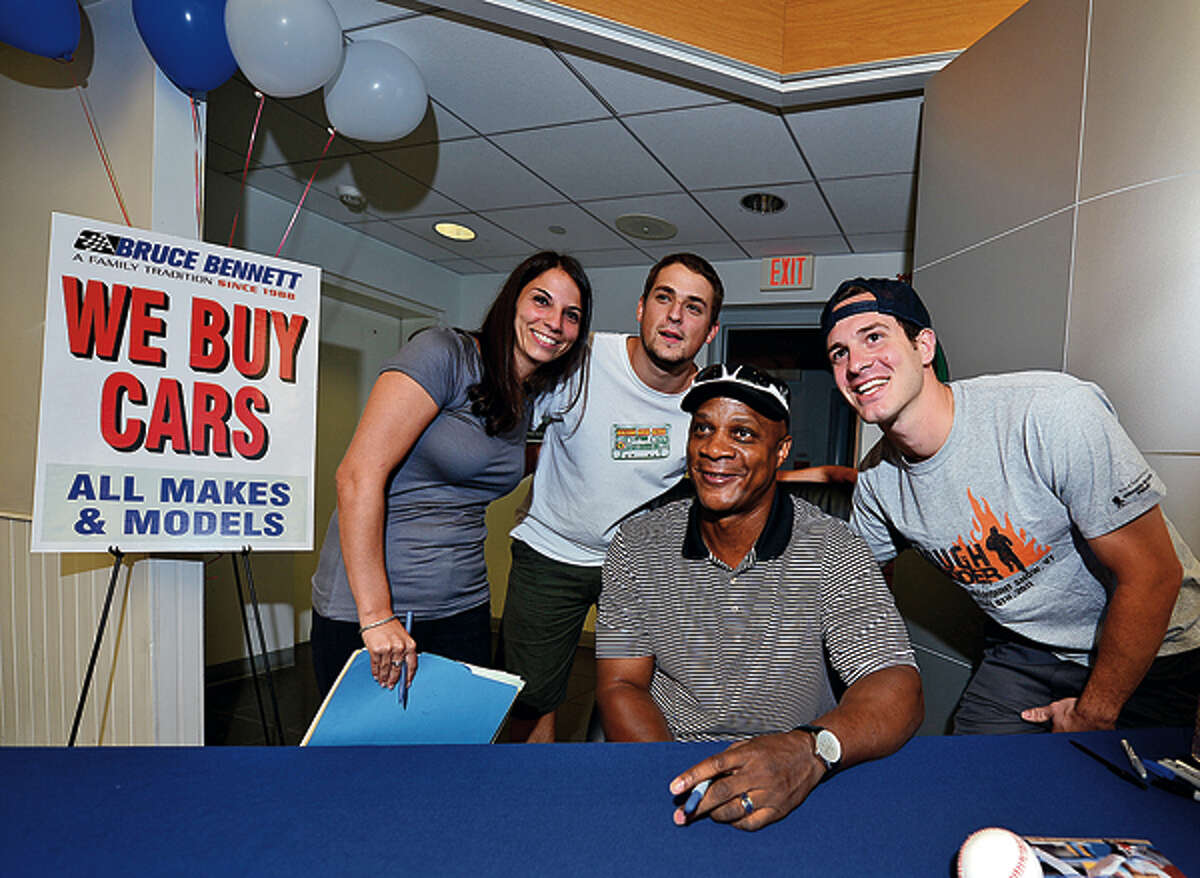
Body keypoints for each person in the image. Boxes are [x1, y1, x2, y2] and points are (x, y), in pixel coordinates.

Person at [821, 277, 1200, 734]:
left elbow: (1154, 575)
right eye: (838, 352)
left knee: (1127, 800)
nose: (856, 363)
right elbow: (863, 598)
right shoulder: (878, 483)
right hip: (1028, 649)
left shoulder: (1052, 412)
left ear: (924, 346)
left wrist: (1092, 713)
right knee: (974, 783)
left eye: (874, 337)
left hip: (1156, 646)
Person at [595, 364, 922, 831]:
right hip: (670, 767)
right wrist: (680, 782)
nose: (715, 448)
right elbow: (620, 683)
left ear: (781, 452)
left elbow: (896, 684)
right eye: (703, 428)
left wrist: (810, 751)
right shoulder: (637, 543)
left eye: (743, 434)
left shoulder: (833, 548)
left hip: (795, 771)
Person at [308, 252, 592, 697]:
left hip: (464, 603)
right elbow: (357, 476)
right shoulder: (445, 353)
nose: (554, 322)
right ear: (512, 301)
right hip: (377, 608)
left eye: (570, 315)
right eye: (542, 301)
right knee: (364, 762)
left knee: (457, 756)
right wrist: (378, 615)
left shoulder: (524, 400)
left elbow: (496, 462)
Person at [500, 253, 723, 742]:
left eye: (694, 307)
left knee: (643, 694)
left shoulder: (709, 401)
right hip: (550, 553)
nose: (675, 316)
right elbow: (504, 427)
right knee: (530, 697)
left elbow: (733, 475)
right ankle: (533, 798)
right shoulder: (580, 361)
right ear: (641, 308)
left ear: (710, 330)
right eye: (664, 298)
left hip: (637, 565)